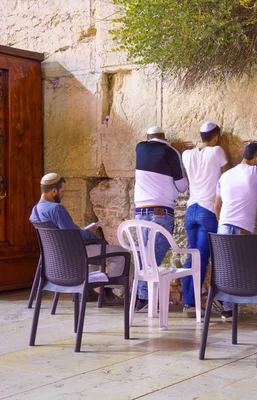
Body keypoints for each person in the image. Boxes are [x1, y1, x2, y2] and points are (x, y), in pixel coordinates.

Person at [29, 173, 127, 303]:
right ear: (54, 191)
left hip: (55, 258)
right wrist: (89, 233)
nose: (63, 194)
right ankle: (108, 292)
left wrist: (82, 232)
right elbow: (72, 234)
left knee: (93, 250)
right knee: (120, 253)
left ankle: (87, 292)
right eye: (62, 191)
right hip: (73, 254)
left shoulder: (35, 210)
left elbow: (64, 232)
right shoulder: (56, 208)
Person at [215, 142, 257, 321]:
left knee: (226, 268)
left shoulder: (225, 176)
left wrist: (222, 222)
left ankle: (228, 309)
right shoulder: (256, 171)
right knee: (244, 268)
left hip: (222, 226)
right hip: (240, 227)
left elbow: (217, 205)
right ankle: (255, 304)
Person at [134, 126, 193, 312]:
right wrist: (178, 155)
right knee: (154, 254)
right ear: (164, 138)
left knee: (145, 253)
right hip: (160, 212)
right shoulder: (171, 152)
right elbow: (182, 187)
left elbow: (153, 147)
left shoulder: (140, 148)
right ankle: (142, 297)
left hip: (140, 213)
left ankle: (138, 294)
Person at [180, 121, 232, 317]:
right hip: (207, 210)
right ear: (216, 137)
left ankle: (188, 302)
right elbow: (228, 175)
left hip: (191, 210)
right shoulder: (217, 151)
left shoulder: (187, 155)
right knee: (202, 257)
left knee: (192, 255)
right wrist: (225, 150)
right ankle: (194, 302)